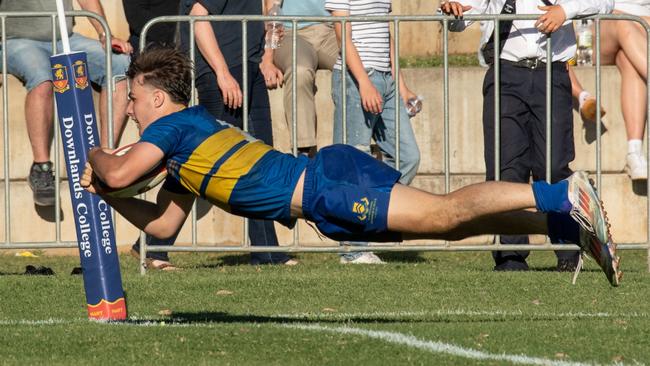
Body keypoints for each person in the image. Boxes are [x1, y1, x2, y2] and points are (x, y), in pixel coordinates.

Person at [81, 48, 621, 286]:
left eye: (130, 98)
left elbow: (122, 170)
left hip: (324, 188)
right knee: (455, 227)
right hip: (323, 191)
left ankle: (560, 196)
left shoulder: (168, 128)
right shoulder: (183, 147)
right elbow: (162, 226)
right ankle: (566, 223)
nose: (128, 109)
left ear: (154, 97)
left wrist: (95, 156)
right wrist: (106, 197)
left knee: (444, 215)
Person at [441, 0, 613, 272]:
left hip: (553, 72)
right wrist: (454, 12)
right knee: (506, 167)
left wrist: (564, 11)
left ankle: (569, 250)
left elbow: (606, 3)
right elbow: (463, 16)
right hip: (506, 72)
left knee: (554, 166)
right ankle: (510, 255)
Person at [176, 0, 295, 265]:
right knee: (203, 162)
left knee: (262, 161)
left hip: (249, 65)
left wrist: (266, 55)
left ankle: (267, 251)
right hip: (226, 72)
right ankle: (153, 244)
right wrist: (222, 73)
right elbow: (198, 18)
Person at [0, 0, 132, 206]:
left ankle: (106, 160)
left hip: (66, 39)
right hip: (17, 41)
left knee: (118, 65)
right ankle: (41, 168)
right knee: (42, 79)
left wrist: (104, 34)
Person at [324, 0, 421, 264]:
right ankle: (352, 249)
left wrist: (401, 86)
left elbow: (385, 34)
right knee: (353, 163)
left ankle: (375, 215)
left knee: (408, 156)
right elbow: (342, 32)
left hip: (386, 79)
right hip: (356, 79)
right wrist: (364, 83)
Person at [122, 0, 181, 270]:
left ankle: (152, 247)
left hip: (173, 62)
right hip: (157, 55)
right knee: (177, 157)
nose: (128, 110)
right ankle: (153, 248)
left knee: (183, 160)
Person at [568, 1, 650, 181]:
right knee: (623, 22)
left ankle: (634, 151)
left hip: (641, 33)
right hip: (597, 30)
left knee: (627, 60)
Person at [260, 0, 340, 157]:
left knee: (360, 66)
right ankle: (303, 152)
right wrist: (268, 58)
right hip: (292, 32)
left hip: (331, 31)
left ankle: (360, 147)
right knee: (300, 70)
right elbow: (273, 8)